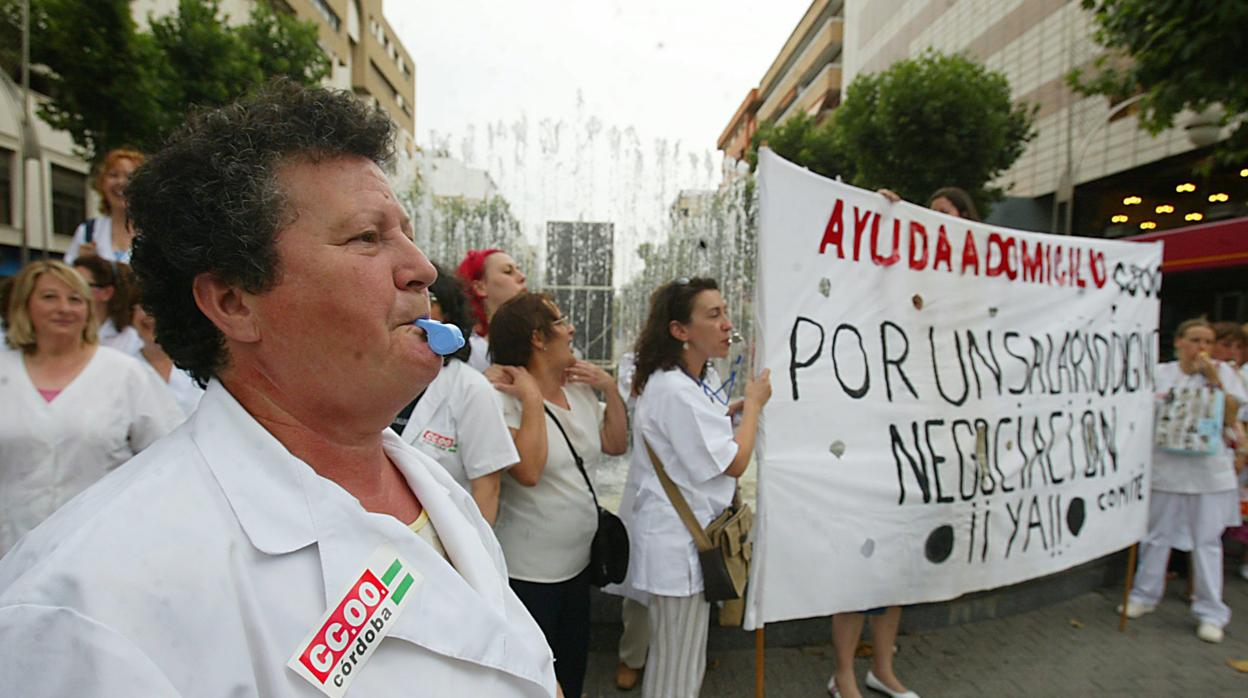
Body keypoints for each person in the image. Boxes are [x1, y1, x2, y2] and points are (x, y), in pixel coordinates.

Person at [0, 82, 558, 697]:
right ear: (233, 302)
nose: (423, 268)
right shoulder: (88, 610)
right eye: (366, 238)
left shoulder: (432, 488)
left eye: (405, 232)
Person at [618, 277, 771, 698]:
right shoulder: (674, 388)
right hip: (679, 549)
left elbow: (700, 438)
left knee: (681, 663)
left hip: (684, 543)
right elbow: (735, 462)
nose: (727, 324)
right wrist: (754, 406)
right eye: (713, 315)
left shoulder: (684, 380)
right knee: (676, 673)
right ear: (680, 330)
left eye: (726, 312)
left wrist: (734, 411)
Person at [486, 292, 629, 698]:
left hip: (578, 566)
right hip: (530, 576)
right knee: (535, 683)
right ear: (538, 338)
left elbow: (615, 444)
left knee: (572, 671)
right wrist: (532, 398)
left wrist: (610, 389)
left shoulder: (579, 389)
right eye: (562, 321)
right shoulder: (500, 399)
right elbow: (529, 471)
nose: (572, 329)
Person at [0, 260, 181, 556]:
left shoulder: (125, 373)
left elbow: (169, 455)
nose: (64, 308)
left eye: (75, 299)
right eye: (49, 297)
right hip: (11, 548)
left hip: (101, 549)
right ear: (24, 305)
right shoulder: (4, 371)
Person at [1122, 318, 1246, 643]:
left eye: (1207, 341)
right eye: (1195, 339)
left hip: (1208, 472)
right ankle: (1144, 594)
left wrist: (1214, 380)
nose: (1201, 347)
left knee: (1206, 542)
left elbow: (1232, 416)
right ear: (1179, 342)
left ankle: (1210, 611)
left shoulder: (1225, 373)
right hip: (1167, 467)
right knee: (1156, 535)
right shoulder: (1160, 373)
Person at [394, 262, 518, 524]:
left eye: (429, 297)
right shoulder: (376, 377)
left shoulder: (471, 389)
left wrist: (470, 550)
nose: (410, 306)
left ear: (448, 315)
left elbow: (487, 488)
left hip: (444, 539)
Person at [129, 282, 204, 419]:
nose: (151, 317)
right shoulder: (122, 367)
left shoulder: (200, 364)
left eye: (159, 309)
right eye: (144, 307)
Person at [63, 147, 143, 264]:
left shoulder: (154, 232)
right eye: (113, 175)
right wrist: (81, 262)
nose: (121, 182)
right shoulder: (87, 232)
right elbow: (67, 273)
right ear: (102, 183)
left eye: (129, 176)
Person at [458, 247, 528, 372]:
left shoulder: (537, 341)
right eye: (508, 271)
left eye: (519, 269)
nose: (522, 277)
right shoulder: (467, 351)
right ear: (480, 287)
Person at [71, 254, 143, 356]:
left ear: (106, 293)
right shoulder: (62, 332)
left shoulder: (130, 341)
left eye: (81, 285)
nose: (72, 292)